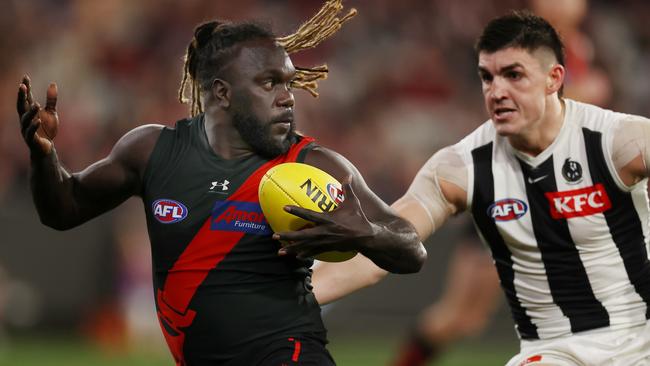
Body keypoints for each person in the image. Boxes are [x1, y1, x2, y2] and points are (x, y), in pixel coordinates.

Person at [16, 1, 426, 365]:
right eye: (270, 83)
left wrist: (367, 233)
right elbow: (63, 210)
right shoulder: (153, 150)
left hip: (290, 353)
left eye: (288, 82)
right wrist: (43, 154)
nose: (288, 97)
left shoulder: (311, 164)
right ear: (222, 93)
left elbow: (412, 248)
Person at [282, 10, 650, 365]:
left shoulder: (622, 141)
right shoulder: (461, 166)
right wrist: (272, 300)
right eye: (487, 77)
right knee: (458, 317)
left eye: (513, 75)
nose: (497, 91)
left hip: (643, 338)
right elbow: (382, 247)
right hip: (557, 350)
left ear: (554, 78)